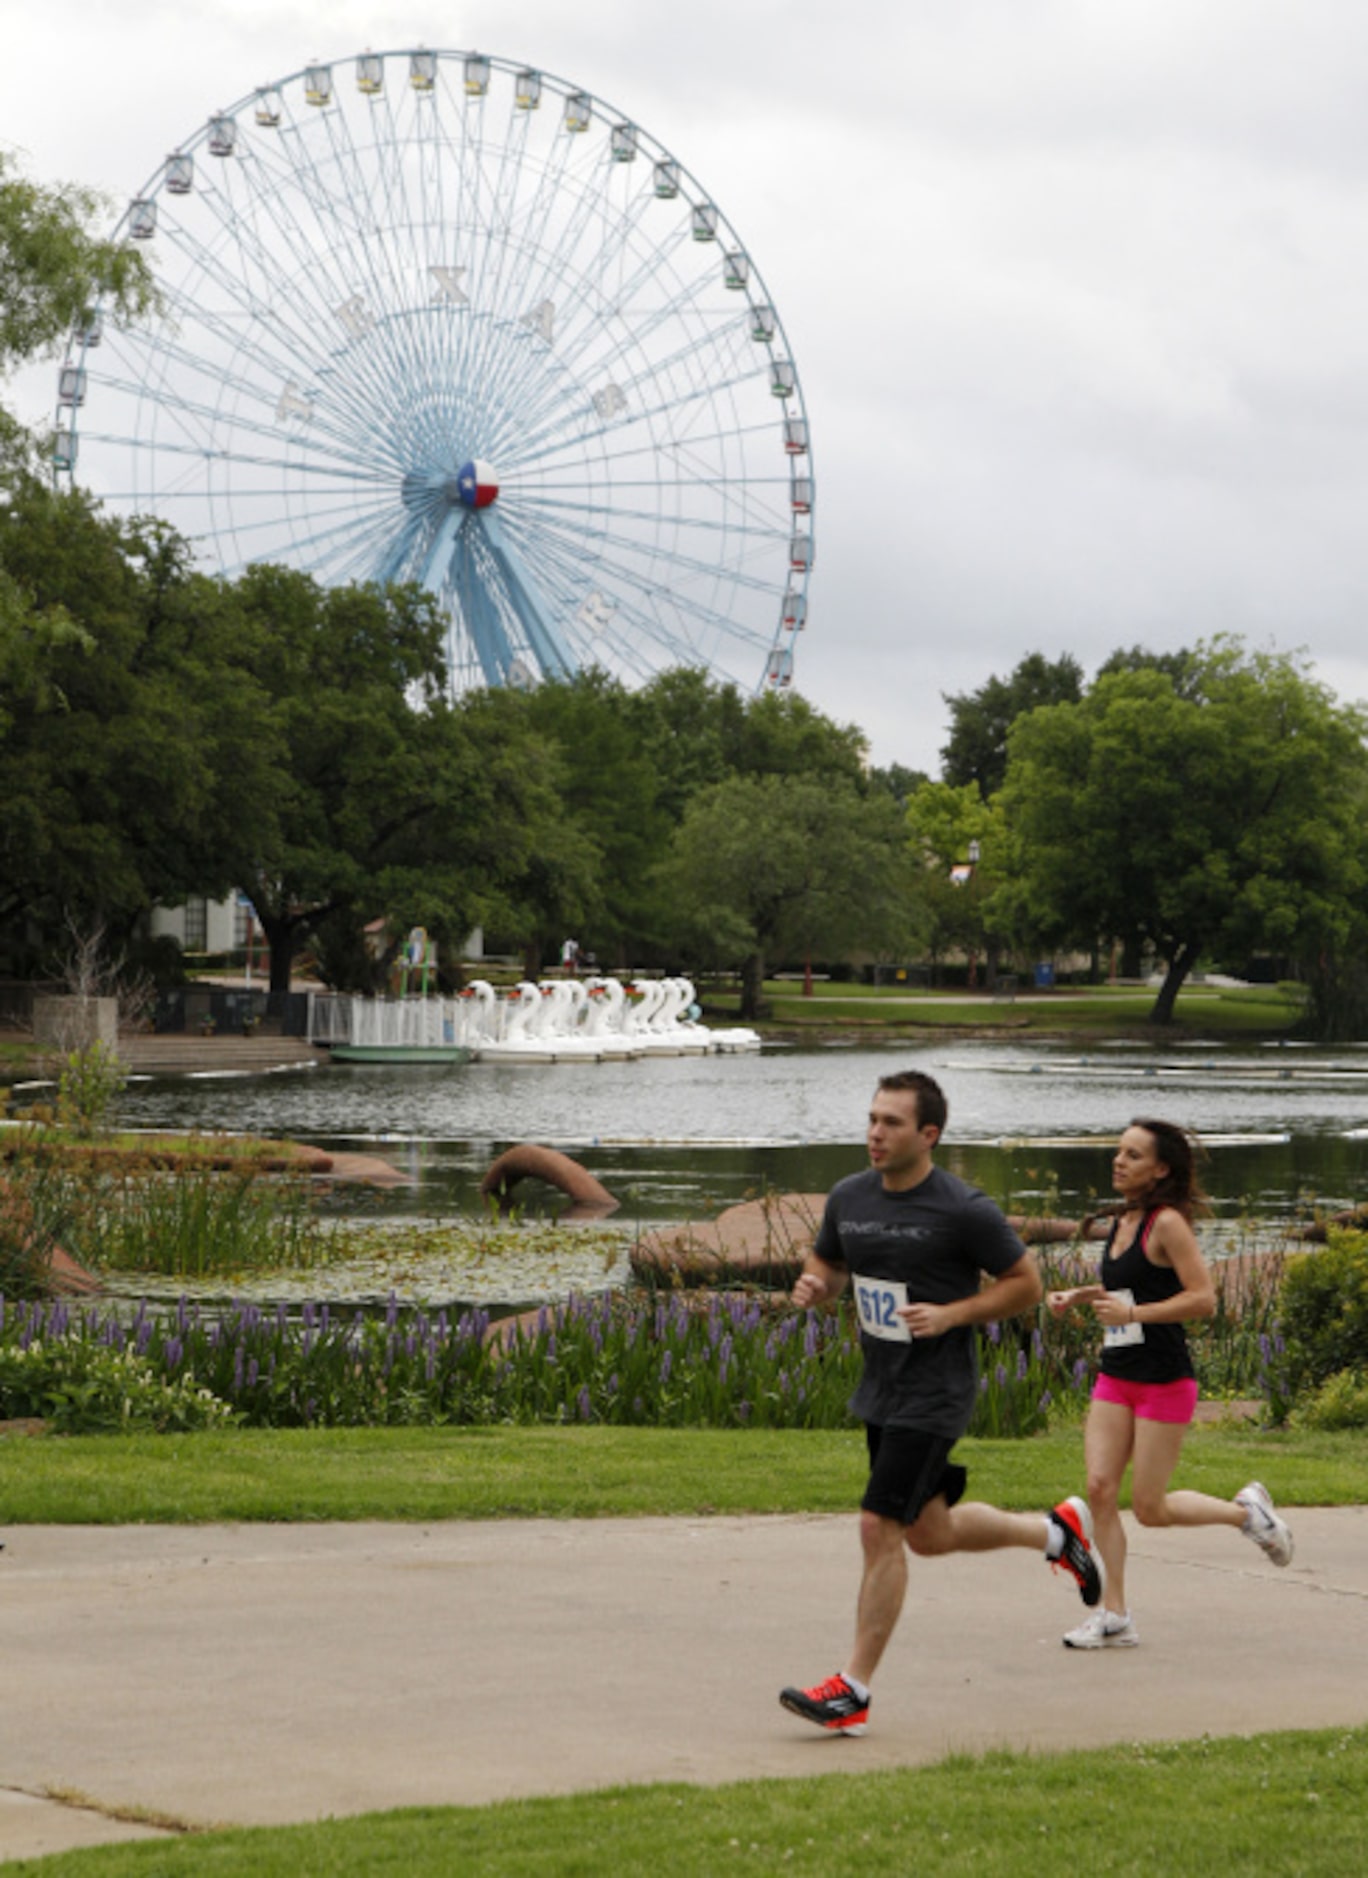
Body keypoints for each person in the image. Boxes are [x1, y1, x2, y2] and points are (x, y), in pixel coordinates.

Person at [779, 1069, 1102, 1738]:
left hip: (937, 1392)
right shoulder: (849, 1197)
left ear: (929, 1135)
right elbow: (833, 1267)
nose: (875, 1132)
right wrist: (816, 1284)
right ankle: (1057, 1533)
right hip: (881, 1386)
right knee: (926, 1533)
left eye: (891, 1123)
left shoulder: (963, 1209)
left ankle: (854, 1689)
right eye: (872, 1118)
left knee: (878, 1526)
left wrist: (955, 1314)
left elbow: (1025, 1285)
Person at [1047, 1117, 1293, 1651]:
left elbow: (1203, 1298)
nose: (1118, 1161)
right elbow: (1128, 1284)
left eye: (1133, 1155)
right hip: (1117, 1375)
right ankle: (1115, 1615)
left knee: (1151, 1508)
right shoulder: (1123, 1220)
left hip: (1163, 1381)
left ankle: (1247, 1514)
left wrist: (1134, 1310)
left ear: (1160, 1169)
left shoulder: (1168, 1224)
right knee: (1099, 1489)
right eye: (1118, 1151)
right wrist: (1081, 1297)